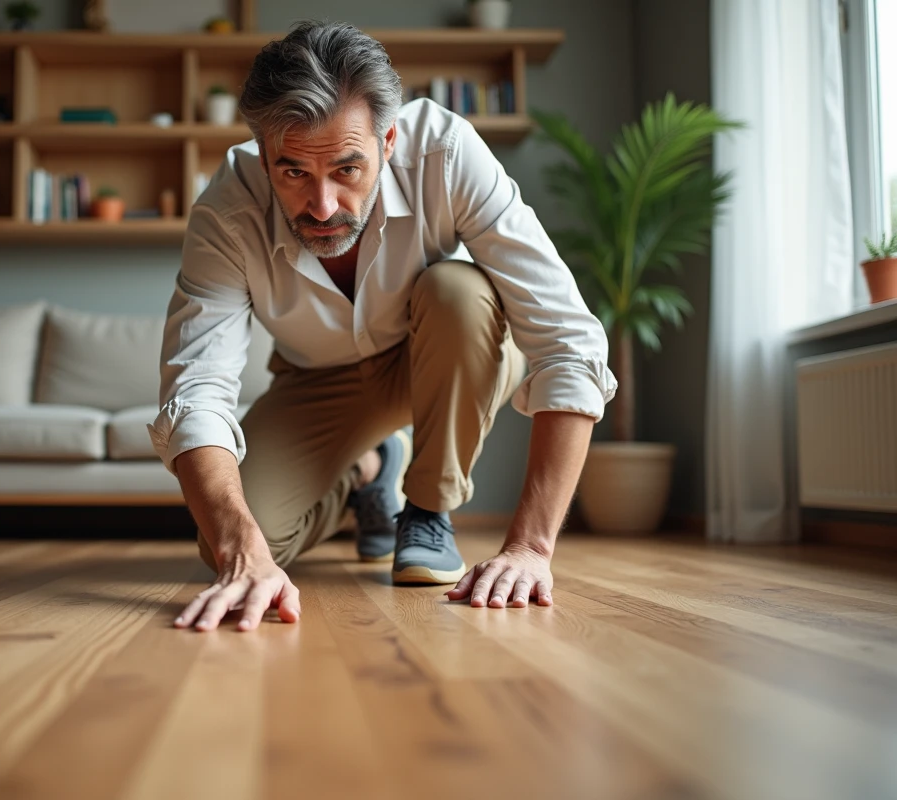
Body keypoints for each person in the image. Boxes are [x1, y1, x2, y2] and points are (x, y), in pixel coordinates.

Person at [149, 21, 617, 632]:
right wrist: (246, 555)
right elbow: (197, 392)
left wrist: (530, 549)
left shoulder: (447, 154)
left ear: (388, 140)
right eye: (293, 173)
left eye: (347, 169)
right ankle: (368, 474)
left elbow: (567, 339)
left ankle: (427, 509)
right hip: (318, 381)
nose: (322, 206)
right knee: (224, 545)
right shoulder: (225, 213)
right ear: (264, 158)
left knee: (459, 288)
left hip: (445, 348)